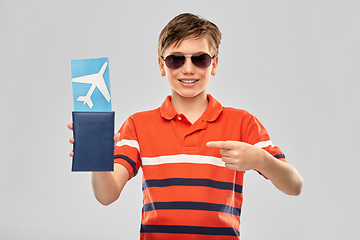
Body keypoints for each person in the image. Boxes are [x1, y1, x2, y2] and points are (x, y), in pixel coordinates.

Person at [68, 13, 303, 240]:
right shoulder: (137, 125)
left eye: (200, 59)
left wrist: (262, 160)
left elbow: (294, 185)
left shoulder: (242, 122)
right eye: (176, 59)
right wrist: (96, 156)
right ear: (162, 65)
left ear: (214, 64)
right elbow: (106, 196)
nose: (188, 69)